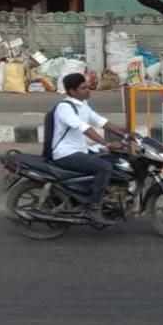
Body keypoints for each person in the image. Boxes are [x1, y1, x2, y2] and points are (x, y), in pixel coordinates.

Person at [50, 73, 128, 225]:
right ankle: (94, 207)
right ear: (72, 91)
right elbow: (84, 128)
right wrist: (106, 144)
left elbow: (100, 121)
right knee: (104, 168)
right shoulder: (64, 108)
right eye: (83, 88)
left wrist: (125, 135)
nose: (88, 90)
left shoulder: (82, 105)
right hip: (66, 153)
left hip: (81, 149)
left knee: (114, 158)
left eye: (88, 87)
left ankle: (103, 194)